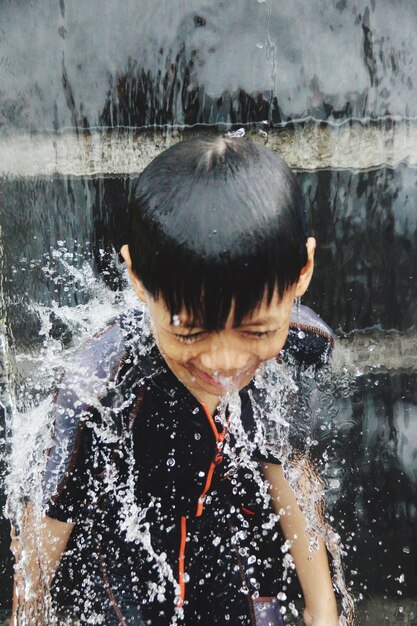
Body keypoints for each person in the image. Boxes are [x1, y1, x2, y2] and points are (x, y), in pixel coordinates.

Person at [9, 137, 340, 626]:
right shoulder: (104, 384)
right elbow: (45, 534)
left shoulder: (300, 341)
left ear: (302, 274)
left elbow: (288, 473)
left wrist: (323, 611)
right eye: (191, 330)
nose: (225, 360)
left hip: (224, 540)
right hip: (127, 561)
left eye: (256, 330)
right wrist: (28, 616)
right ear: (139, 280)